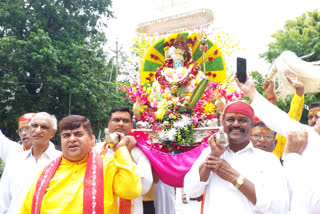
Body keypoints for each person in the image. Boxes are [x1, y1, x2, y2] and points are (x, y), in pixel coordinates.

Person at [20, 114, 142, 213]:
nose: (72, 139)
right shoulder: (46, 173)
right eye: (66, 135)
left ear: (91, 139)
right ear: (61, 140)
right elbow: (27, 209)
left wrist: (121, 149)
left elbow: (130, 191)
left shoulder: (108, 166)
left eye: (78, 134)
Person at [184, 101, 289, 214]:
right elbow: (191, 191)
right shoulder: (209, 153)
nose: (236, 124)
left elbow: (278, 207)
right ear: (222, 124)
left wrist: (234, 177)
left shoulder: (268, 160)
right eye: (230, 120)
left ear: (251, 125)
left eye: (242, 120)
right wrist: (213, 155)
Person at [235, 75, 320, 213]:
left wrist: (292, 156)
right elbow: (278, 119)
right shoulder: (310, 135)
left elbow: (309, 201)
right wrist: (252, 92)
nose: (317, 117)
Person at [0, 112, 61, 214]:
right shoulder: (14, 160)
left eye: (44, 127)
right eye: (34, 126)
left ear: (52, 133)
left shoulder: (61, 160)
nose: (37, 130)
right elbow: (3, 201)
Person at [97, 106, 153, 214]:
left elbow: (144, 188)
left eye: (125, 121)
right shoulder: (97, 150)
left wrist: (127, 153)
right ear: (109, 124)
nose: (121, 124)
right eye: (116, 120)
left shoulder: (140, 152)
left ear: (131, 126)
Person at [262, 69, 304, 158]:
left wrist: (299, 91)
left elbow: (290, 118)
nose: (261, 139)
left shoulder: (277, 147)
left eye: (267, 136)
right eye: (256, 135)